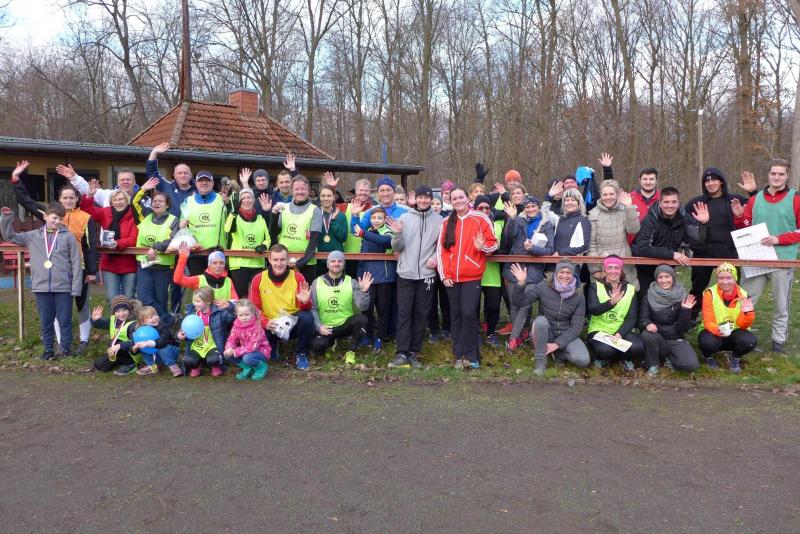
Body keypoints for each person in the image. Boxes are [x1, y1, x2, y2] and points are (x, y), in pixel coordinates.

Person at [11, 161, 98, 355]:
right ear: (59, 199)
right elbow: (27, 201)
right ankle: (60, 344)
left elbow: (91, 246)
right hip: (56, 271)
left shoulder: (86, 217)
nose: (68, 200)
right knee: (59, 308)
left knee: (81, 304)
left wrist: (92, 271)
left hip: (79, 268)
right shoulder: (50, 215)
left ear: (77, 199)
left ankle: (84, 339)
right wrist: (16, 179)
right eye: (65, 197)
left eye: (72, 197)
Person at [731, 159, 799, 353]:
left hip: (782, 259)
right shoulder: (756, 199)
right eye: (773, 173)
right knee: (746, 300)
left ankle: (778, 342)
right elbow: (746, 227)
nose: (777, 177)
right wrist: (739, 216)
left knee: (781, 304)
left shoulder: (795, 199)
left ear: (787, 176)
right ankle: (740, 337)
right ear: (768, 175)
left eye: (781, 174)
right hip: (756, 258)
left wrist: (779, 239)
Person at [1, 203, 82, 360]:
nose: (57, 221)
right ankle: (48, 350)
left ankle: (65, 350)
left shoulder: (68, 237)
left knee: (65, 321)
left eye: (61, 219)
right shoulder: (33, 236)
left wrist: (76, 287)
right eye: (54, 218)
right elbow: (9, 236)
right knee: (46, 321)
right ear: (45, 217)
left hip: (63, 287)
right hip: (41, 286)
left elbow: (76, 263)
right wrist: (6, 218)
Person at [437, 187, 498, 369]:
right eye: (454, 198)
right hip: (451, 277)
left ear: (467, 199)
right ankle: (459, 355)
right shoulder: (446, 222)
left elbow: (493, 244)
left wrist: (481, 248)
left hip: (472, 275)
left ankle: (472, 356)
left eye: (461, 197)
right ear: (451, 201)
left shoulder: (480, 218)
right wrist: (444, 275)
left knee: (469, 313)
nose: (458, 201)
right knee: (455, 315)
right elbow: (441, 251)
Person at [388, 185, 443, 368]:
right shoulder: (404, 218)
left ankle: (413, 352)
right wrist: (397, 233)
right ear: (416, 199)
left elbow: (442, 246)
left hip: (427, 275)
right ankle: (401, 353)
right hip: (406, 273)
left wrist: (435, 258)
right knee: (404, 313)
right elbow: (397, 247)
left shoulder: (439, 221)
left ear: (431, 199)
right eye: (421, 197)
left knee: (421, 314)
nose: (424, 200)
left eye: (427, 197)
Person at [684, 167, 748, 318]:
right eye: (707, 181)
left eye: (714, 180)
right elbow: (684, 223)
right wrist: (693, 245)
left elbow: (756, 207)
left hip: (729, 252)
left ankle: (731, 317)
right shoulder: (696, 203)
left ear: (721, 182)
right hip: (704, 252)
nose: (710, 183)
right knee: (697, 287)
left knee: (731, 287)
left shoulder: (735, 200)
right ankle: (690, 317)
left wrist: (752, 192)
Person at [510, 261, 589, 375]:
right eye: (561, 272)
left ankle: (558, 354)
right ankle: (540, 363)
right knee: (540, 321)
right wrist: (521, 283)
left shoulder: (579, 295)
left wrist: (557, 344)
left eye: (568, 272)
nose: (565, 275)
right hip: (544, 332)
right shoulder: (543, 286)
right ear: (556, 273)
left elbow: (576, 327)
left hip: (566, 334)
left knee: (583, 360)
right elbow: (520, 302)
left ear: (573, 275)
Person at [631, 186, 708, 296]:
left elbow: (698, 241)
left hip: (667, 268)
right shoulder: (650, 219)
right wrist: (672, 254)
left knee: (667, 299)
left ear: (678, 203)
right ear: (660, 203)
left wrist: (703, 224)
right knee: (645, 299)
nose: (670, 205)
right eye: (666, 202)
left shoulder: (683, 217)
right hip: (645, 268)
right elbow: (643, 248)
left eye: (674, 202)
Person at [248, 244, 314, 369]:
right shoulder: (259, 278)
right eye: (275, 260)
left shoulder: (297, 277)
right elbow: (253, 308)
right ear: (269, 260)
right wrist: (265, 322)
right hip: (270, 324)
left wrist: (305, 302)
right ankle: (272, 345)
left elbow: (306, 308)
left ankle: (301, 353)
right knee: (253, 321)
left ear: (288, 260)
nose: (279, 263)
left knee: (307, 317)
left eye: (282, 259)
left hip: (291, 323)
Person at [502, 195, 554, 350]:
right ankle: (520, 334)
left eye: (533, 206)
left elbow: (550, 250)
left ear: (538, 207)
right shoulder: (518, 220)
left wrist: (533, 249)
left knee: (525, 303)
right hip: (515, 268)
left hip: (533, 271)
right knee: (514, 303)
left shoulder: (546, 224)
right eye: (527, 207)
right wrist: (511, 218)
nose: (530, 209)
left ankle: (513, 338)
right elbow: (508, 236)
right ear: (524, 209)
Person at [309, 251, 371, 364]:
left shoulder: (352, 282)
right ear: (328, 264)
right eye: (333, 261)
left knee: (362, 319)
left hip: (344, 325)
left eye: (340, 261)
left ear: (344, 264)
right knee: (318, 346)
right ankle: (331, 343)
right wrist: (319, 326)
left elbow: (363, 307)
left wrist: (364, 292)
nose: (336, 263)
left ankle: (351, 352)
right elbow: (313, 308)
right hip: (326, 327)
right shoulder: (316, 283)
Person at [638, 264, 700, 377]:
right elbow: (643, 318)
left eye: (667, 276)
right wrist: (648, 323)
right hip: (657, 337)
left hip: (675, 338)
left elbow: (683, 328)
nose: (664, 280)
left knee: (691, 365)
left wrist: (685, 310)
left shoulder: (682, 295)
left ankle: (669, 360)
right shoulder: (649, 295)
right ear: (656, 279)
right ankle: (652, 365)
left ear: (673, 277)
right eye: (660, 277)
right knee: (647, 334)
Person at [132, 181, 179, 324]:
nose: (157, 203)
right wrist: (143, 189)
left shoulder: (174, 220)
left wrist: (155, 247)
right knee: (145, 298)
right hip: (144, 265)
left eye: (160, 201)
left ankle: (162, 328)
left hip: (163, 267)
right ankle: (167, 319)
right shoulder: (145, 215)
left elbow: (172, 240)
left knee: (161, 300)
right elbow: (134, 202)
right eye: (154, 201)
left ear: (167, 205)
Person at [586, 256, 644, 371]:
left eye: (617, 268)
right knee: (606, 350)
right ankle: (602, 357)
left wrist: (620, 333)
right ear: (604, 270)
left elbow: (632, 317)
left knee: (638, 347)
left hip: (621, 331)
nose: (613, 271)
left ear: (621, 270)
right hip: (599, 330)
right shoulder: (594, 286)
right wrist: (611, 303)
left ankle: (624, 359)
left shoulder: (630, 289)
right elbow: (593, 310)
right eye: (610, 267)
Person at [81, 186, 139, 301]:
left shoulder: (134, 213)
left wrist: (118, 243)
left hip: (129, 263)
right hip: (109, 263)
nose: (118, 202)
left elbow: (134, 238)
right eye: (115, 200)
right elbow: (87, 212)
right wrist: (89, 196)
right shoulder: (105, 212)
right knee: (112, 297)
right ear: (111, 202)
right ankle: (114, 314)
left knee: (129, 297)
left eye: (121, 199)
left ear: (127, 200)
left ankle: (129, 314)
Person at [699, 263, 756, 373]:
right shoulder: (709, 294)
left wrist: (749, 314)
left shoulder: (744, 295)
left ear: (735, 278)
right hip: (713, 332)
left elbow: (742, 325)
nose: (725, 282)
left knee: (749, 341)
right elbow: (708, 320)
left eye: (729, 278)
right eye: (721, 278)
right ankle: (708, 357)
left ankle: (735, 358)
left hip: (735, 332)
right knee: (707, 343)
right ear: (717, 279)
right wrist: (718, 330)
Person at [353, 206, 396, 351]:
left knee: (383, 309)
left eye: (379, 218)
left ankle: (380, 337)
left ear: (384, 219)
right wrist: (355, 216)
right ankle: (368, 336)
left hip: (384, 277)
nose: (376, 221)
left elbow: (385, 241)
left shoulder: (388, 231)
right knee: (367, 309)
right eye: (373, 218)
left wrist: (363, 233)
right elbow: (362, 253)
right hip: (368, 278)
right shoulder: (367, 232)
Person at [587, 180, 640, 288]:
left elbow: (633, 230)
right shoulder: (593, 214)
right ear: (600, 195)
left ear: (617, 195)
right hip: (601, 264)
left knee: (626, 294)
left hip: (624, 261)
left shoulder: (625, 210)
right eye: (605, 194)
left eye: (611, 194)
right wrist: (595, 269)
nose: (608, 197)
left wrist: (629, 207)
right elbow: (591, 245)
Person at [271, 175, 323, 282]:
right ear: (292, 191)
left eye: (303, 189)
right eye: (296, 189)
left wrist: (300, 262)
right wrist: (274, 215)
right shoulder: (284, 208)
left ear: (308, 191)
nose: (300, 192)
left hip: (306, 263)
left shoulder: (315, 210)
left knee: (304, 291)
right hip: (284, 261)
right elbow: (273, 233)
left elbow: (314, 240)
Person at [224, 188, 272, 298]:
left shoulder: (260, 218)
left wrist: (264, 246)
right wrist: (233, 213)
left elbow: (268, 238)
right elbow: (228, 229)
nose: (246, 200)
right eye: (243, 198)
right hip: (238, 263)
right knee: (242, 296)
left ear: (253, 200)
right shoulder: (235, 216)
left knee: (258, 296)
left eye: (249, 197)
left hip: (257, 262)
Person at [177, 287, 235, 378]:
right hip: (197, 346)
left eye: (198, 301)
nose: (195, 303)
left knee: (213, 360)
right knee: (187, 360)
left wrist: (230, 307)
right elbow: (184, 328)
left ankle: (215, 366)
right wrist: (180, 335)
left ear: (208, 301)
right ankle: (196, 365)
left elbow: (233, 317)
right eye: (194, 300)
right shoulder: (192, 313)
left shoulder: (219, 313)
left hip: (213, 346)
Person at [180, 170, 227, 276]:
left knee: (217, 285)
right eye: (201, 180)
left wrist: (228, 203)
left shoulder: (222, 199)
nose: (204, 183)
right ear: (196, 184)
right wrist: (182, 224)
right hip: (196, 252)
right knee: (198, 285)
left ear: (213, 183)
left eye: (207, 180)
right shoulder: (188, 201)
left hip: (217, 253)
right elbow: (182, 225)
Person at [473, 195, 505, 347]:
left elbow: (504, 247)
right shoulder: (469, 225)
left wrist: (494, 250)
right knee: (473, 307)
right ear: (475, 209)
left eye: (487, 208)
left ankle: (490, 333)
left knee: (493, 306)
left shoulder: (497, 226)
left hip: (492, 272)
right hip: (473, 272)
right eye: (481, 208)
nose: (484, 210)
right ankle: (475, 334)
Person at [223, 299, 271, 381]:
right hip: (245, 350)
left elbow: (253, 346)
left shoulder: (256, 326)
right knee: (227, 354)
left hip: (261, 351)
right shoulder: (237, 325)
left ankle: (261, 367)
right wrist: (229, 348)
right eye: (240, 315)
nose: (244, 318)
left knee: (247, 358)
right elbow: (231, 339)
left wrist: (235, 351)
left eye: (247, 314)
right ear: (237, 315)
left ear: (252, 313)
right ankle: (248, 367)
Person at [90, 296, 140, 375]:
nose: (121, 314)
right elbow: (100, 324)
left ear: (129, 309)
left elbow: (136, 342)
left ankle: (131, 364)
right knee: (100, 365)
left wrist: (120, 345)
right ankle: (121, 360)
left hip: (133, 353)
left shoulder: (133, 324)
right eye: (118, 311)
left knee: (117, 342)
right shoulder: (114, 319)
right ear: (114, 312)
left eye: (124, 310)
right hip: (118, 350)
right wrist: (95, 320)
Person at [173, 244, 238, 304]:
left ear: (224, 264)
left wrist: (228, 304)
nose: (218, 266)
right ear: (209, 265)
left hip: (223, 312)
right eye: (214, 263)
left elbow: (235, 302)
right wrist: (182, 258)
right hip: (201, 312)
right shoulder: (199, 279)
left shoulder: (228, 281)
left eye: (221, 263)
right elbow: (178, 280)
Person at [145, 142, 196, 216]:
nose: (183, 175)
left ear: (190, 175)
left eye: (186, 173)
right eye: (179, 173)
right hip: (171, 224)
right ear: (174, 176)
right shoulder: (167, 187)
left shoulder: (198, 190)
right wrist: (154, 152)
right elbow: (152, 172)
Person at [130, 305, 182, 377]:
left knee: (162, 348)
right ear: (143, 322)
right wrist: (134, 348)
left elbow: (162, 342)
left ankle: (172, 365)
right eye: (151, 317)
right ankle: (152, 365)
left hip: (172, 352)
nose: (155, 318)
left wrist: (149, 343)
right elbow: (134, 345)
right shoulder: (139, 331)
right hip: (157, 356)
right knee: (142, 346)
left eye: (156, 315)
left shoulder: (163, 327)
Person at [58, 165, 139, 209]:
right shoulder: (108, 195)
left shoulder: (143, 198)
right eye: (122, 180)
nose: (125, 182)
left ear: (134, 181)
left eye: (128, 179)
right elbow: (88, 189)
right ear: (118, 182)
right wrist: (74, 177)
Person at [316, 182, 348, 278]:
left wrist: (333, 221)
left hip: (336, 262)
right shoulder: (314, 214)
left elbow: (343, 237)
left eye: (329, 196)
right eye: (323, 196)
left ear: (334, 197)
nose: (326, 198)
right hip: (318, 260)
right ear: (319, 197)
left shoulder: (340, 216)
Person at [551, 188, 590, 257]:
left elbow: (584, 246)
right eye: (567, 200)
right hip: (554, 260)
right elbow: (544, 213)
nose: (569, 203)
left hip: (572, 261)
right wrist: (549, 196)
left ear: (579, 203)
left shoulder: (583, 220)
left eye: (573, 200)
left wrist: (561, 253)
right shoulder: (559, 219)